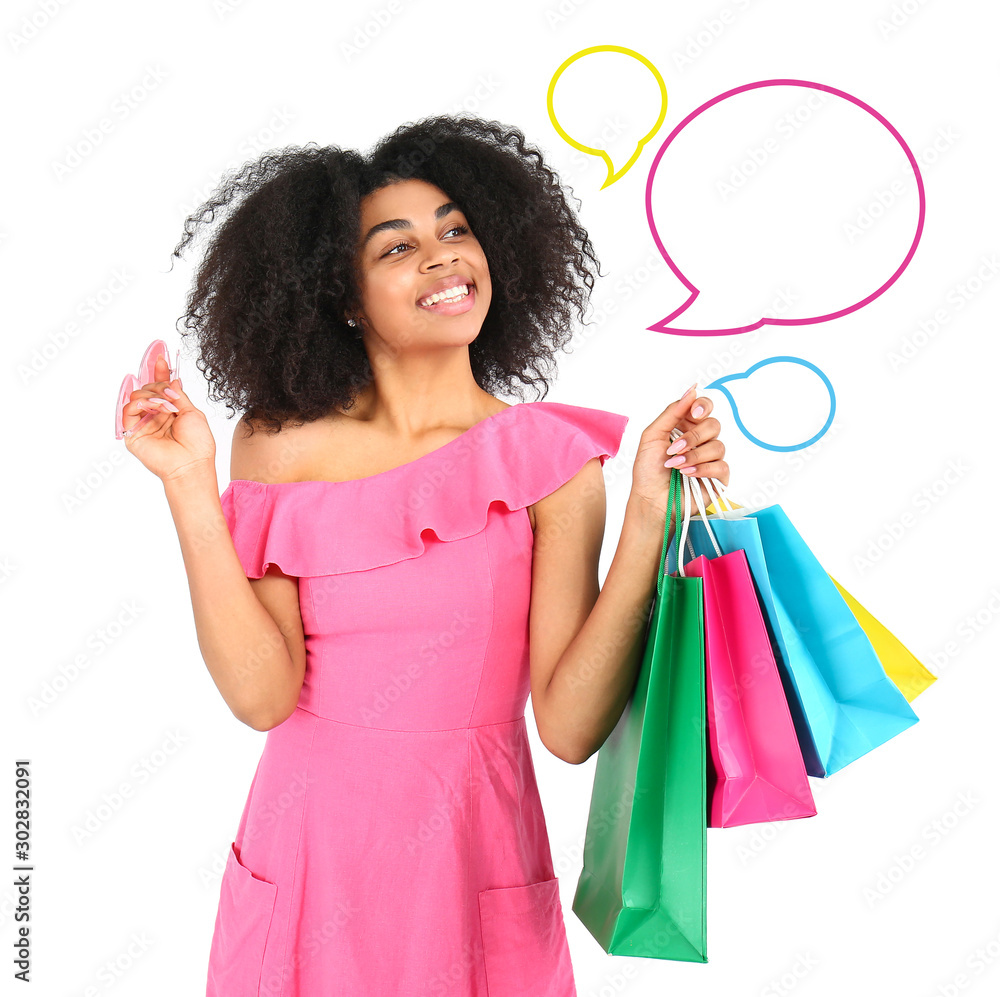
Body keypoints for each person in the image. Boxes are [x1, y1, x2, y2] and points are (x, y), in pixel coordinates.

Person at [121, 114, 729, 996]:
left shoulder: (551, 461)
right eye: (397, 247)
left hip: (474, 849)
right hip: (311, 849)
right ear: (340, 297)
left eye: (454, 229)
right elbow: (260, 694)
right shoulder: (279, 445)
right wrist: (188, 486)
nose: (443, 256)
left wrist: (645, 518)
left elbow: (566, 728)